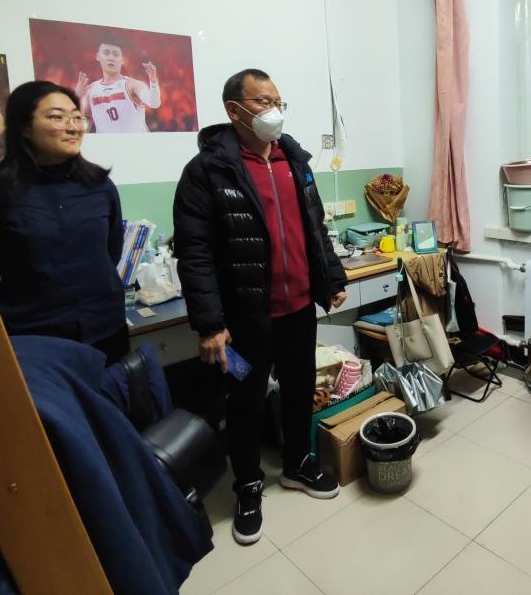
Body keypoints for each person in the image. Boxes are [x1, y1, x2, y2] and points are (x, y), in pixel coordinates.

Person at [173, 68, 348, 546]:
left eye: (278, 102)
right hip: (244, 318)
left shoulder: (295, 161)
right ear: (234, 111)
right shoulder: (207, 171)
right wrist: (210, 324)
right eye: (263, 102)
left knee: (298, 390)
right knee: (244, 401)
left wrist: (331, 277)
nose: (274, 111)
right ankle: (248, 485)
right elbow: (194, 253)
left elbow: (315, 227)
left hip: (298, 308)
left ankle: (297, 464)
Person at [0, 80, 129, 363]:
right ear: (24, 127)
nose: (73, 127)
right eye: (57, 117)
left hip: (107, 330)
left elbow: (110, 252)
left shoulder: (99, 185)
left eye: (77, 117)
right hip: (37, 341)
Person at [77, 38, 161, 133]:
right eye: (106, 53)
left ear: (122, 60)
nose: (111, 57)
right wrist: (77, 98)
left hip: (134, 142)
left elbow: (154, 103)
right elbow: (83, 128)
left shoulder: (132, 85)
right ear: (98, 56)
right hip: (107, 142)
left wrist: (153, 82)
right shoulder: (90, 90)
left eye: (115, 54)